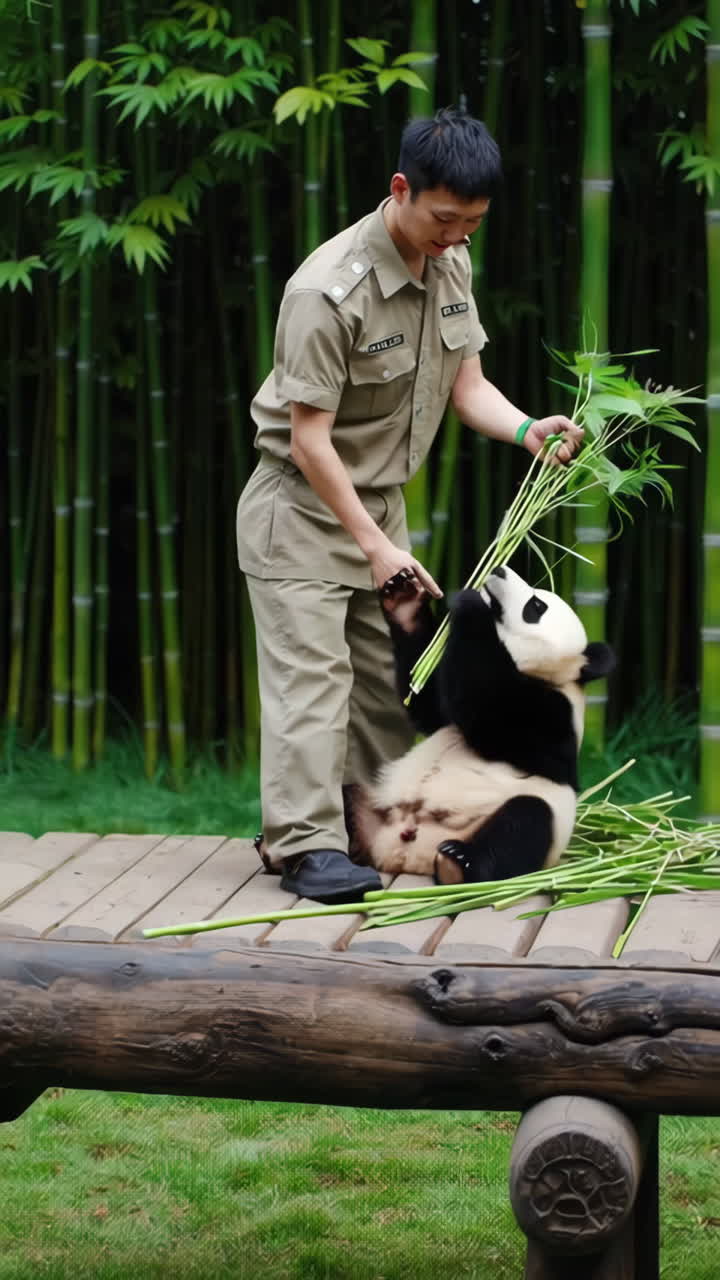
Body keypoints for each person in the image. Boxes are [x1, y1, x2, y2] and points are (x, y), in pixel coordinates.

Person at [236, 106, 583, 905]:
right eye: (445, 218)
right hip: (301, 511)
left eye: (472, 224)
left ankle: (367, 829)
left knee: (386, 691)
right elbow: (311, 441)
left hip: (377, 510)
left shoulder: (448, 263)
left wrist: (529, 430)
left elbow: (469, 387)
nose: (457, 236)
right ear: (401, 189)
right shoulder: (326, 292)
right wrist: (374, 545)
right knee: (311, 684)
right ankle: (304, 847)